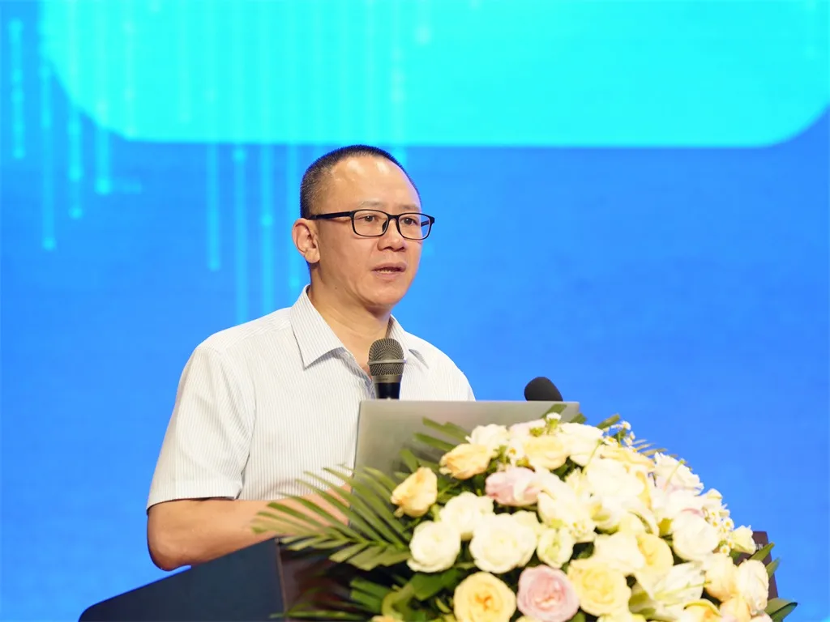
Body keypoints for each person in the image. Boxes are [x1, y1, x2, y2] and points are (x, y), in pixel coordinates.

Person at [146, 145, 475, 571]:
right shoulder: (233, 361)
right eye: (369, 219)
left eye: (409, 221)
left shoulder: (441, 375)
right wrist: (345, 509)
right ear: (309, 240)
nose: (395, 240)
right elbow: (174, 534)